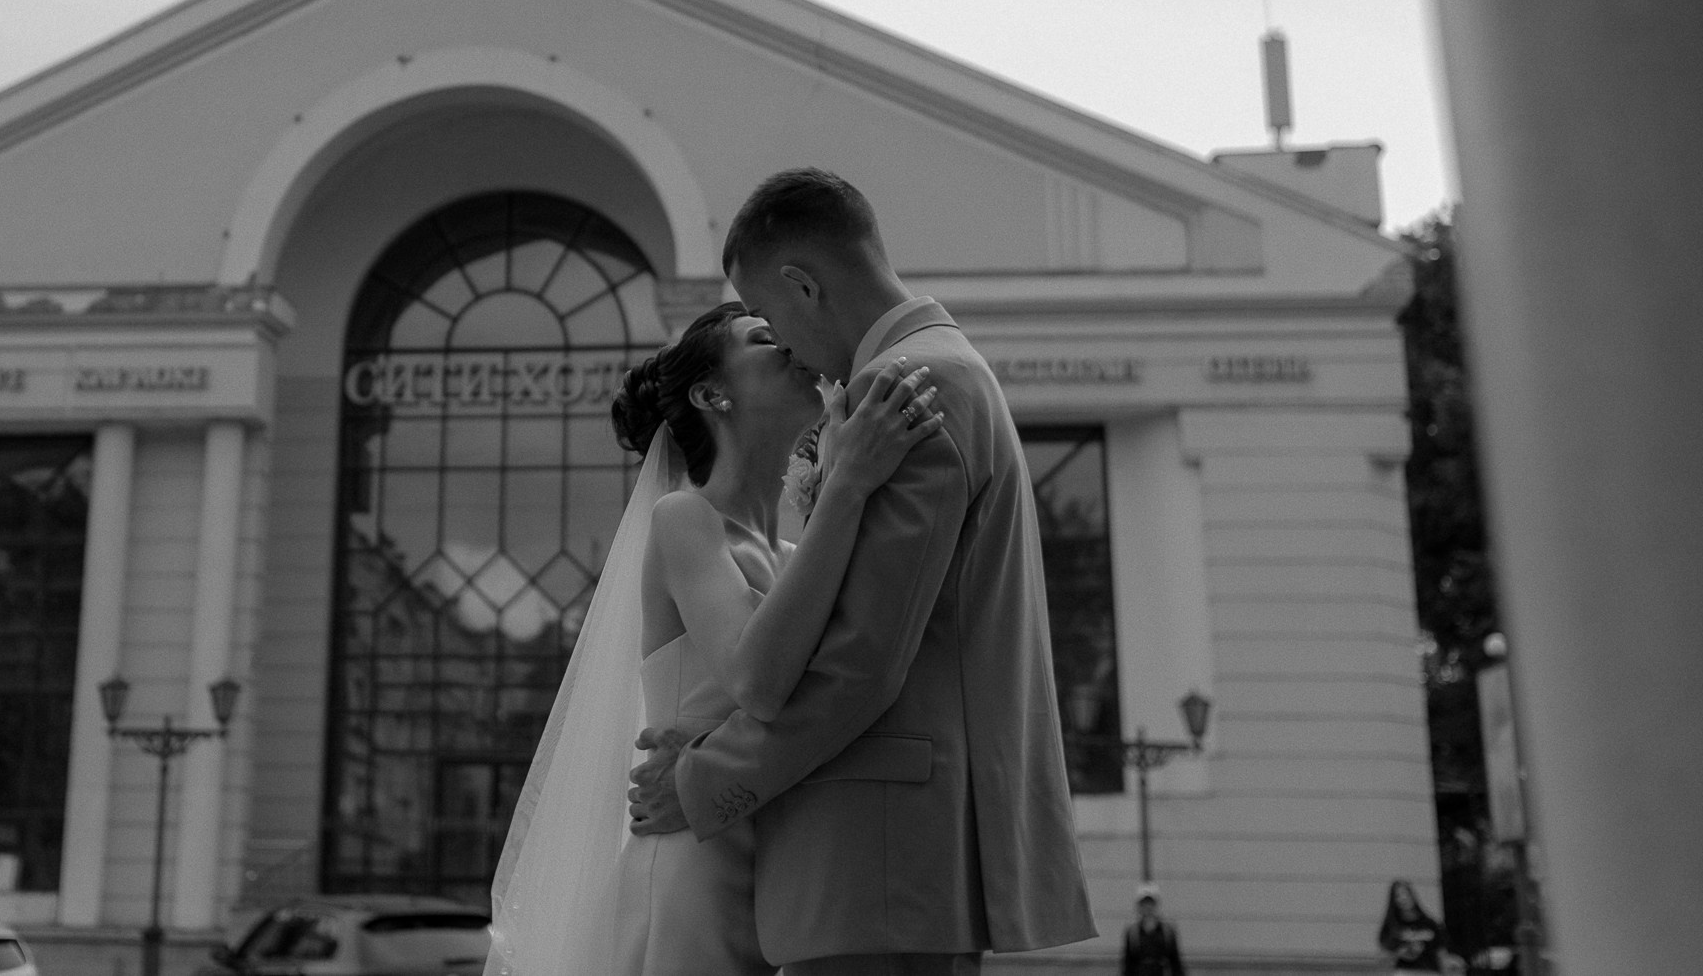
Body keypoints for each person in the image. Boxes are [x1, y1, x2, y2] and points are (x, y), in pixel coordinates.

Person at [629, 167, 1097, 975]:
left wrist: (704, 779)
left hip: (872, 854)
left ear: (803, 286)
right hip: (866, 858)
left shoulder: (906, 386)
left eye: (773, 320)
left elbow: (860, 662)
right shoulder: (933, 376)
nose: (793, 352)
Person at [485, 301, 946, 976]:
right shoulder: (685, 520)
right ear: (712, 393)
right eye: (765, 337)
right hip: (693, 864)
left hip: (784, 860)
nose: (790, 345)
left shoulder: (798, 550)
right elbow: (751, 678)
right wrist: (848, 484)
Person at [1378, 879, 1445, 970]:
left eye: (1406, 893)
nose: (1403, 898)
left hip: (1429, 971)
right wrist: (1402, 952)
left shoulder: (1429, 924)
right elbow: (1383, 954)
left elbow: (1440, 950)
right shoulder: (1391, 926)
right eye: (1398, 896)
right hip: (1404, 971)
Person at [1121, 887, 1184, 976]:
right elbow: (1128, 964)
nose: (1148, 907)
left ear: (1156, 905)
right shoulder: (1132, 932)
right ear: (1139, 906)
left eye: (1151, 903)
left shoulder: (1167, 931)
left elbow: (1175, 962)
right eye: (1144, 904)